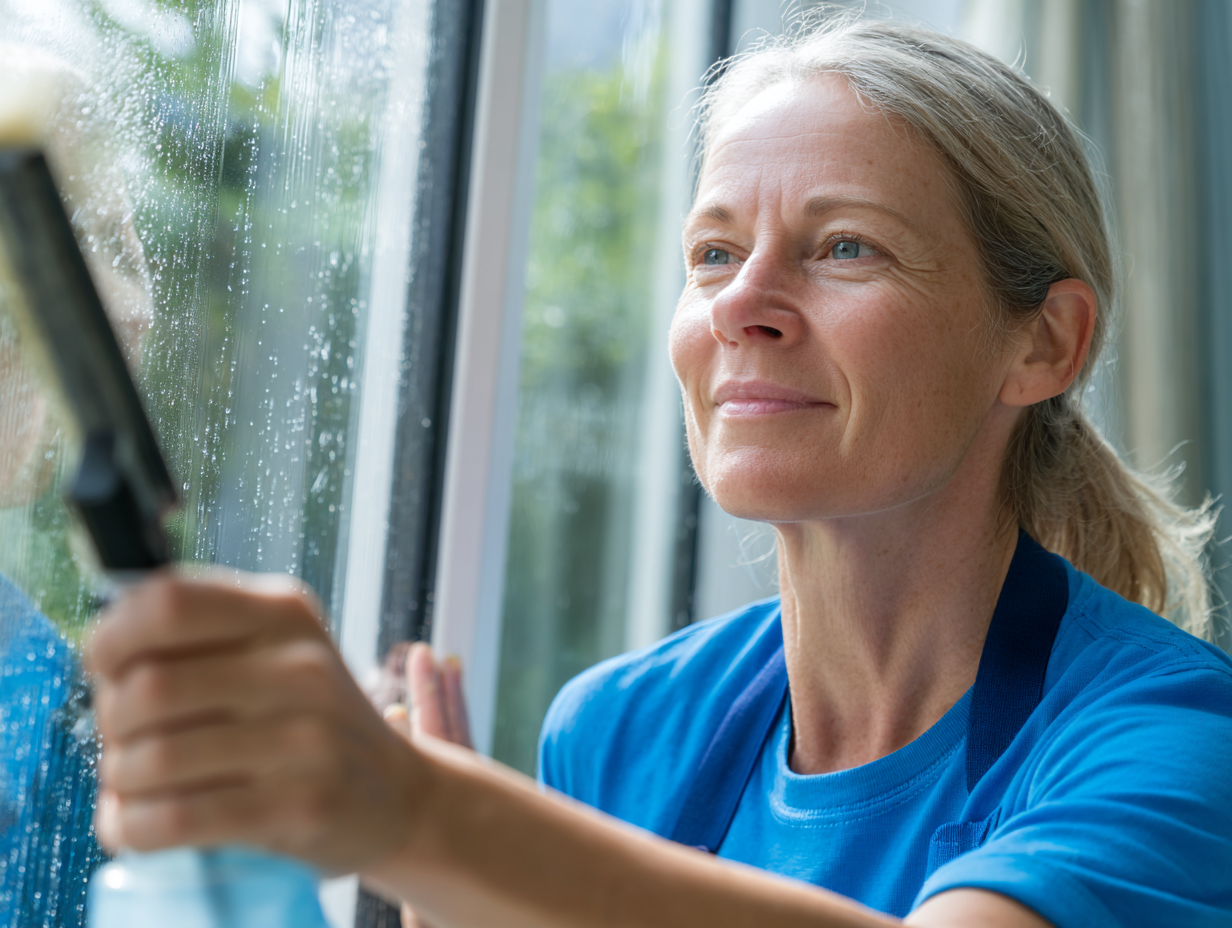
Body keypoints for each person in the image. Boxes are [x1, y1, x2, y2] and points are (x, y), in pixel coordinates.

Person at [85, 18, 1232, 928]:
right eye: (714, 253)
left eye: (844, 246)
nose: (740, 303)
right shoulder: (622, 730)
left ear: (1042, 343)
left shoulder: (1173, 741)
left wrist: (421, 815)